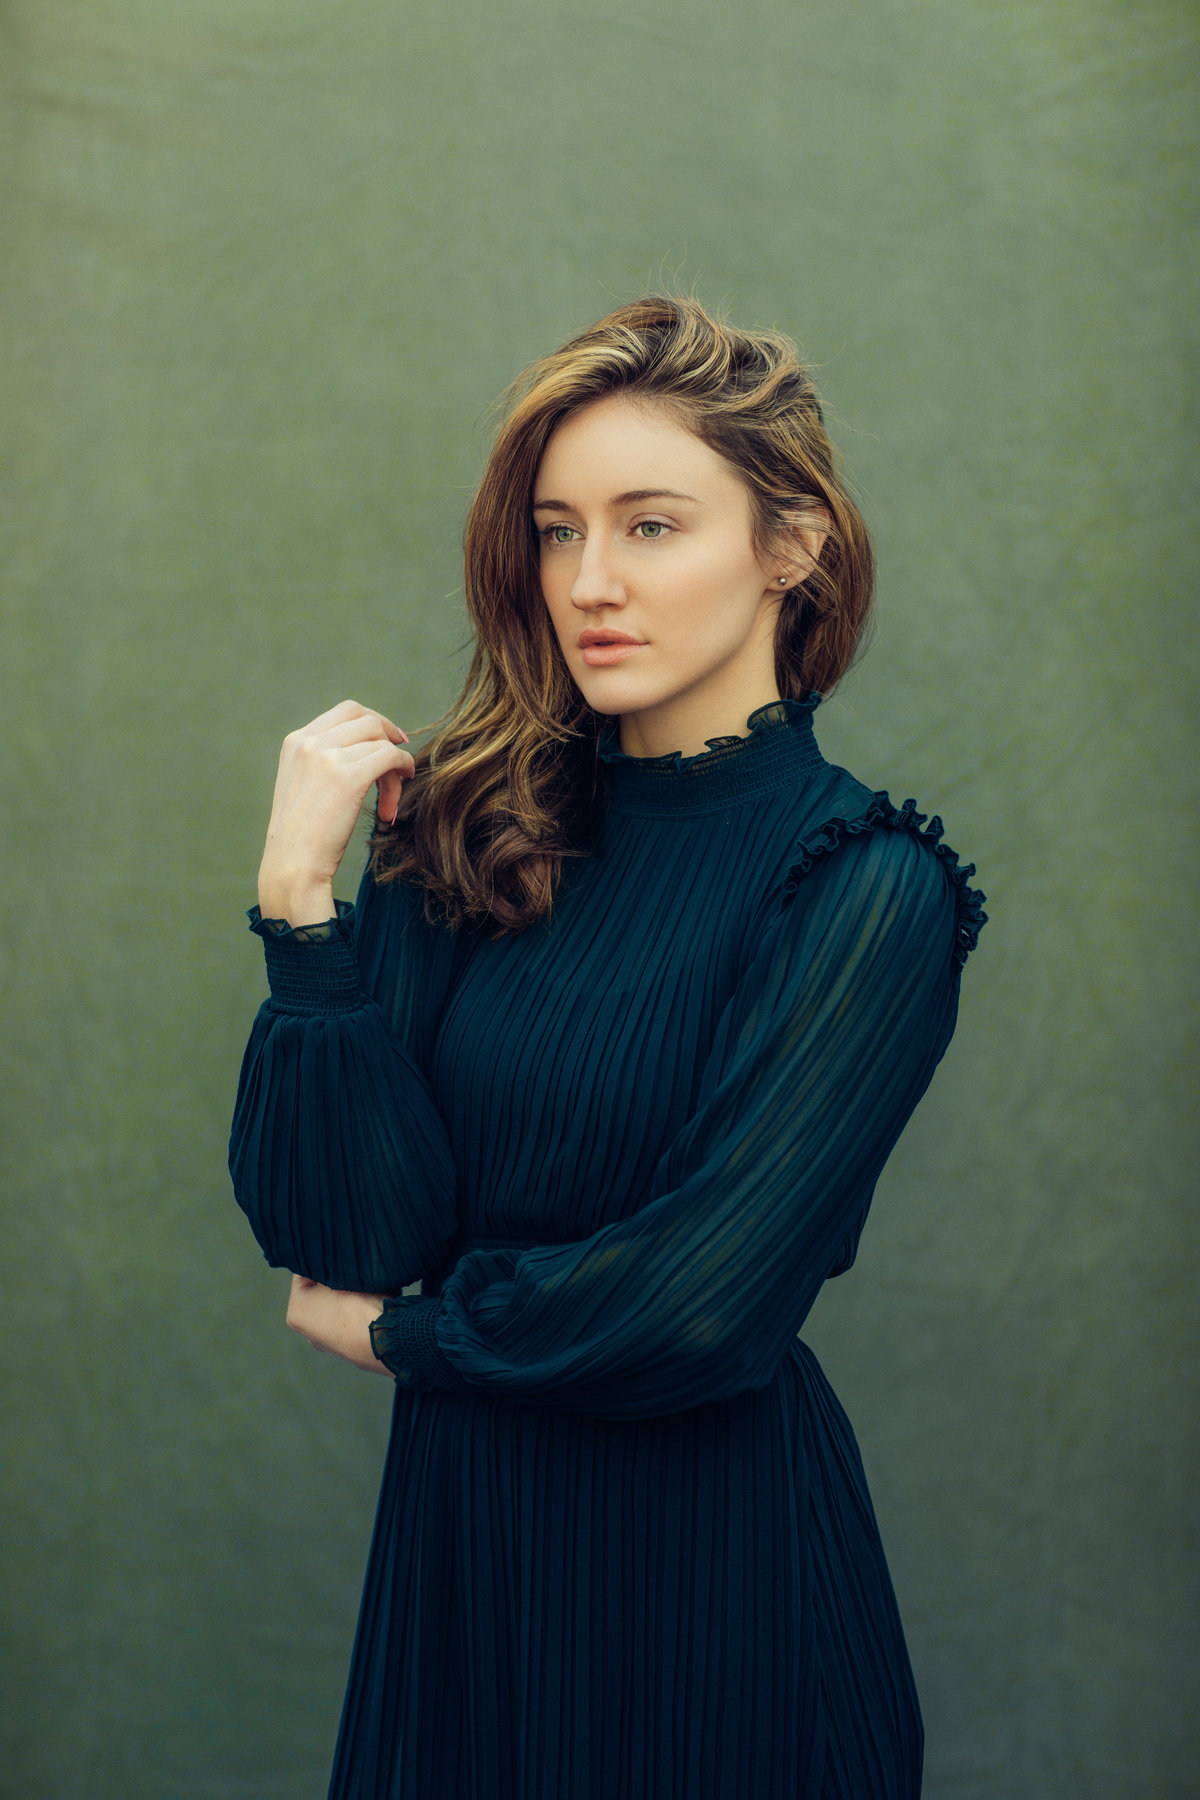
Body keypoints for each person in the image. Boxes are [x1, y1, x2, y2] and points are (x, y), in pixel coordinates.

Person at [229, 294, 987, 1799]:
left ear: (793, 547)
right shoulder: (481, 829)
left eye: (650, 527)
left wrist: (415, 1338)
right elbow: (349, 1230)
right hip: (466, 1567)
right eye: (556, 531)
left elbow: (703, 1301)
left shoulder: (861, 885)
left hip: (719, 1591)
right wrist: (301, 911)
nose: (589, 582)